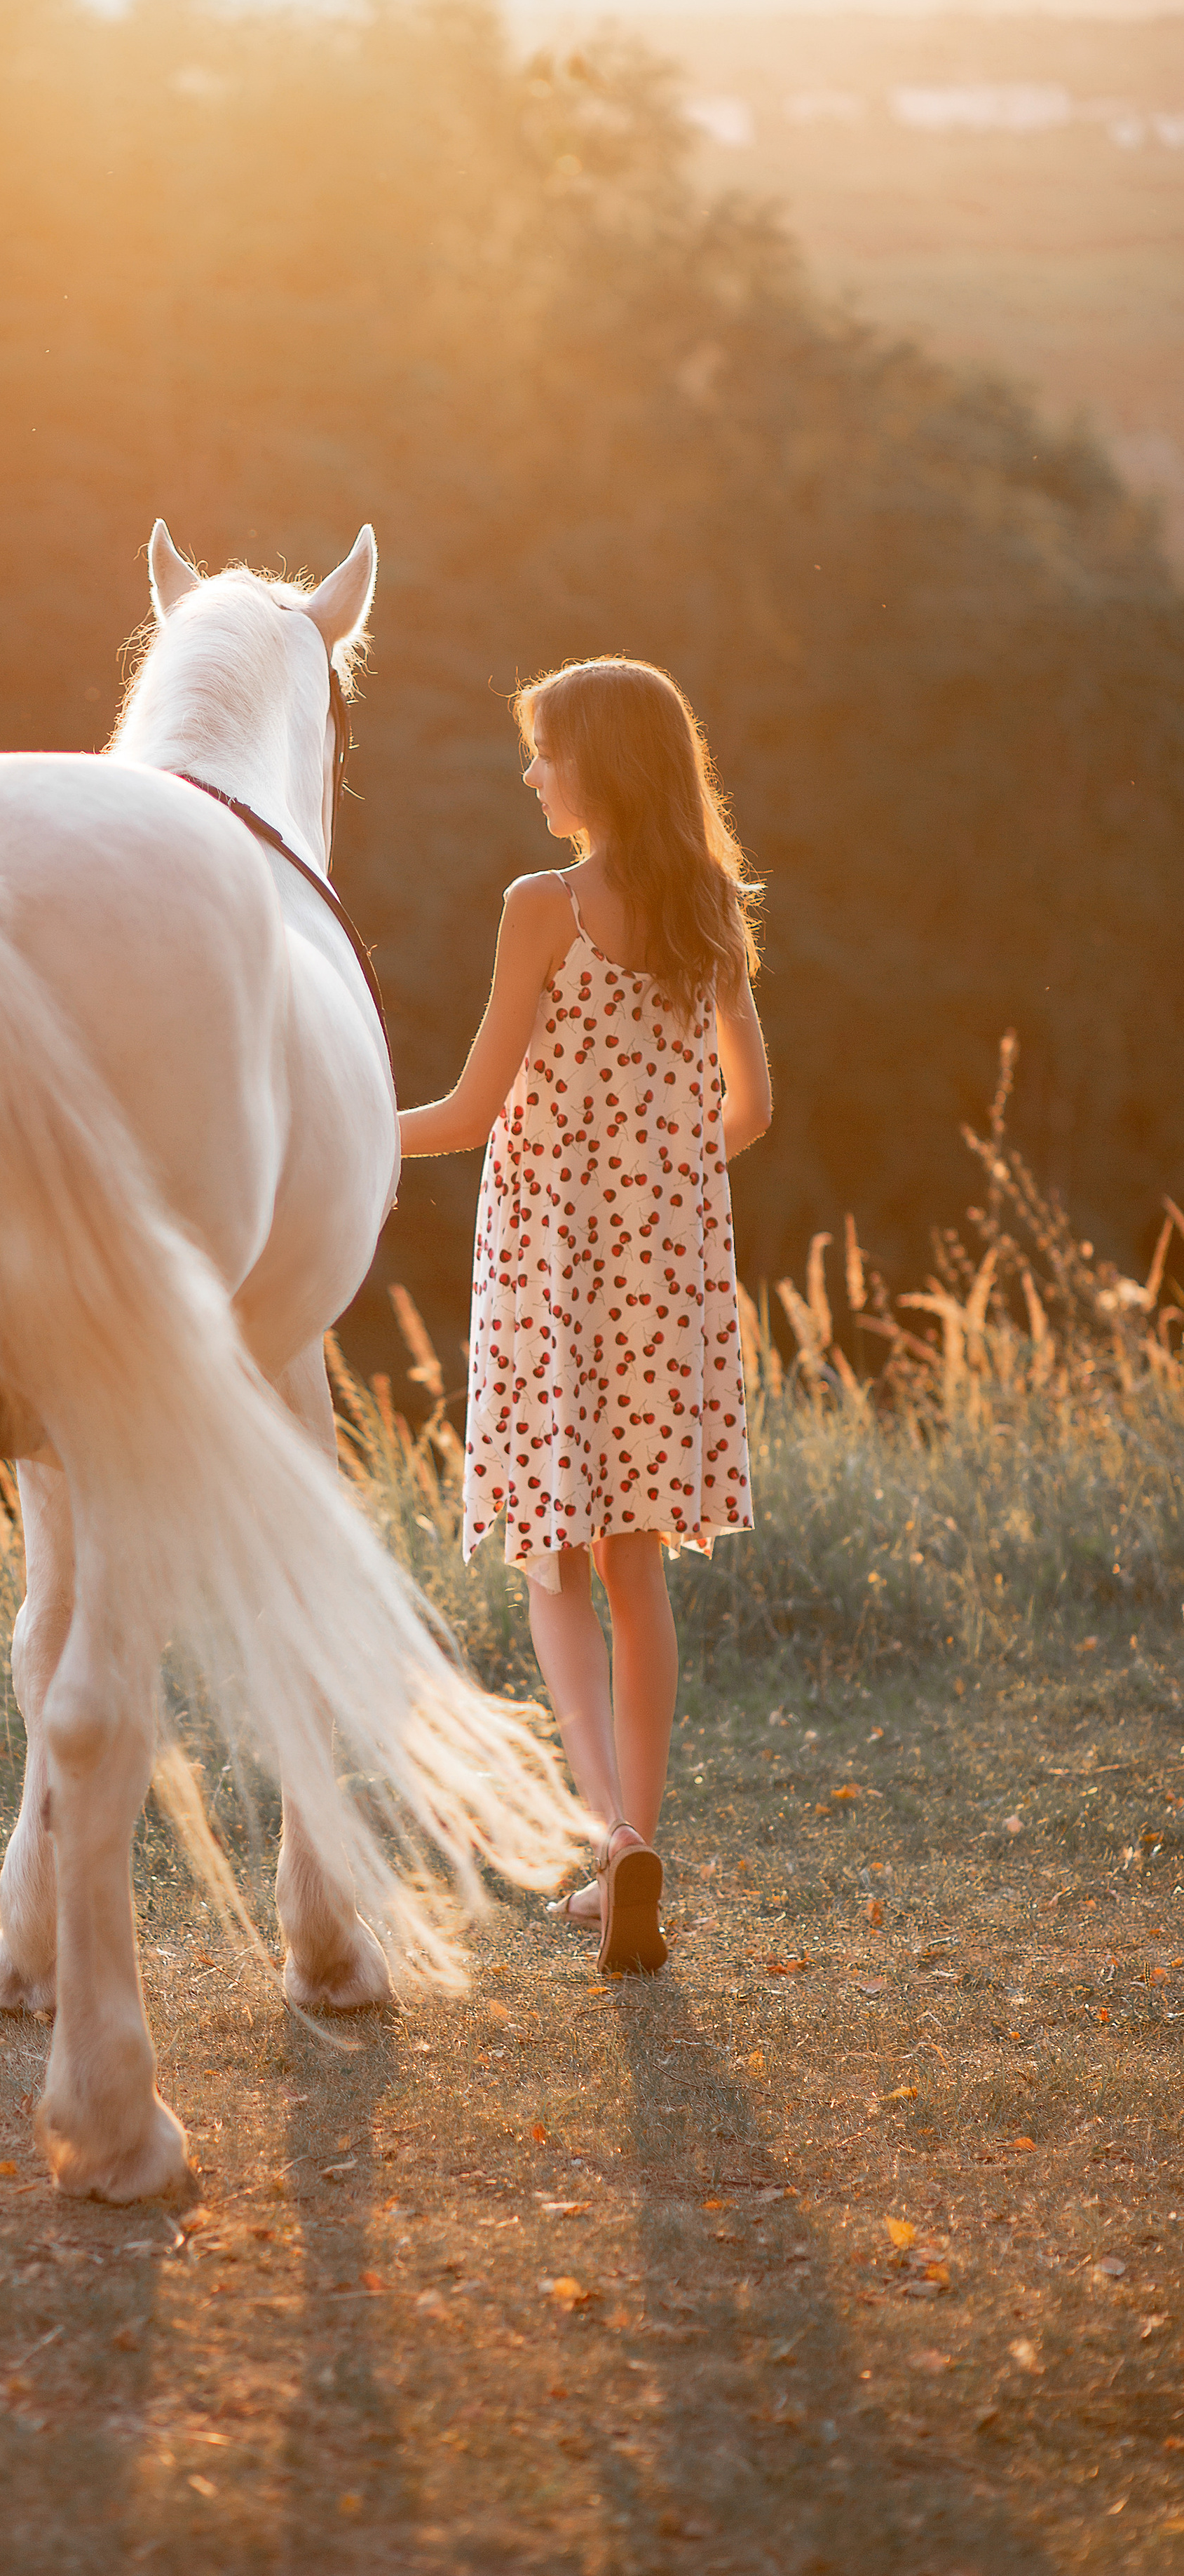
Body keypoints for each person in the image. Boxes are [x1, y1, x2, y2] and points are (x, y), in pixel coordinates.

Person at [398, 657, 771, 1974]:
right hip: (666, 1276)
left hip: (552, 1276)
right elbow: (753, 1108)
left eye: (546, 751)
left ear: (598, 765)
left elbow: (467, 1110)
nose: (532, 773)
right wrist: (661, 1178)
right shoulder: (708, 905)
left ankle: (611, 1843)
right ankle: (640, 1834)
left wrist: (334, 1132)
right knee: (637, 1565)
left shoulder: (541, 908)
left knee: (553, 1559)